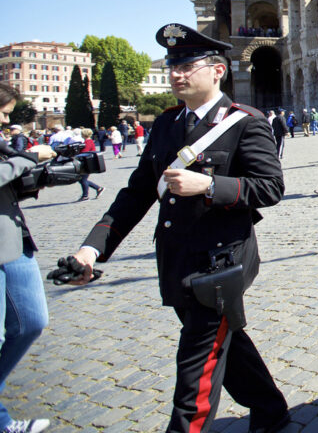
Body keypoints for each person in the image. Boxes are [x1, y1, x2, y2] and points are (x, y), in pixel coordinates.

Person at [63, 23, 291, 433]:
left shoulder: (244, 122)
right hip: (176, 258)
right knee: (224, 343)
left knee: (195, 368)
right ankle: (271, 408)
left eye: (187, 65)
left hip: (221, 262)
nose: (176, 74)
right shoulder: (168, 124)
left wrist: (210, 185)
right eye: (173, 66)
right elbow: (137, 192)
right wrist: (91, 250)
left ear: (217, 70)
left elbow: (271, 187)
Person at [0, 82, 56, 433]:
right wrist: (28, 157)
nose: (6, 120)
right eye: (4, 112)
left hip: (14, 241)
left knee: (32, 322)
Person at [77, 128, 104, 201]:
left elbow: (85, 152)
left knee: (83, 179)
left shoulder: (87, 142)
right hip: (88, 162)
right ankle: (98, 188)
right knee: (82, 179)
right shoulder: (89, 141)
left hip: (87, 163)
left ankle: (85, 195)